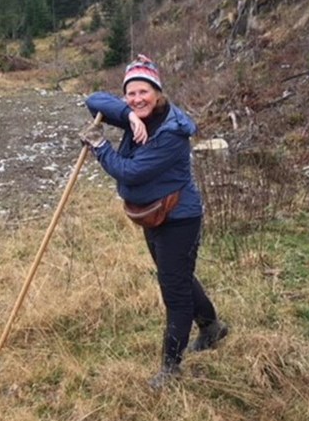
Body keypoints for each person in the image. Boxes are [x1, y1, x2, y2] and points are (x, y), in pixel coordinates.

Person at [79, 55, 228, 389]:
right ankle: (212, 328)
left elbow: (129, 171)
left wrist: (100, 145)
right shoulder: (138, 115)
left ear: (158, 92)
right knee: (177, 276)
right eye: (130, 94)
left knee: (174, 292)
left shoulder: (172, 133)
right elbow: (94, 100)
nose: (137, 99)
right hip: (153, 214)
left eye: (143, 92)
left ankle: (171, 369)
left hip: (178, 218)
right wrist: (129, 115)